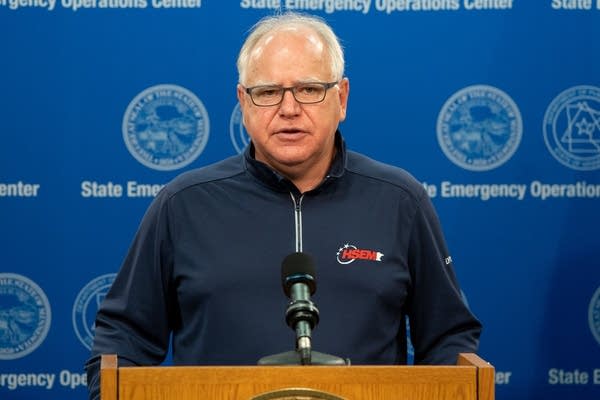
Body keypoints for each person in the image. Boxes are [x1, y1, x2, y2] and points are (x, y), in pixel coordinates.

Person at [85, 11, 482, 399]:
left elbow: (448, 338)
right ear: (243, 101)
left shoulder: (400, 201)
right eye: (268, 92)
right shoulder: (183, 204)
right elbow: (123, 341)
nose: (289, 109)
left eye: (309, 89)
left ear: (341, 98)